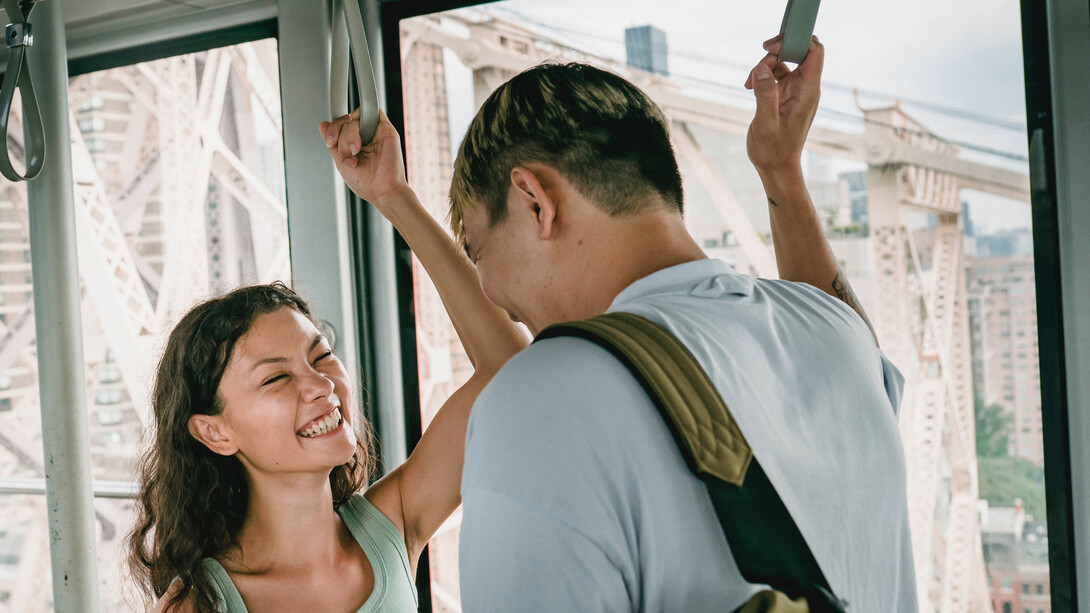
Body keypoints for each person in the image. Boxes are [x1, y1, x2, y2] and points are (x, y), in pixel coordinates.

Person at [328, 35, 917, 611]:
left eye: (480, 252)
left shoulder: (543, 403)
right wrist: (780, 168)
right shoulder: (839, 336)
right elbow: (829, 314)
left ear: (534, 201)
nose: (497, 300)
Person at [127, 106, 528, 610]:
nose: (321, 384)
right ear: (214, 432)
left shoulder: (392, 526)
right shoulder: (203, 604)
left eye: (320, 357)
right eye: (276, 378)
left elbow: (511, 370)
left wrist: (393, 195)